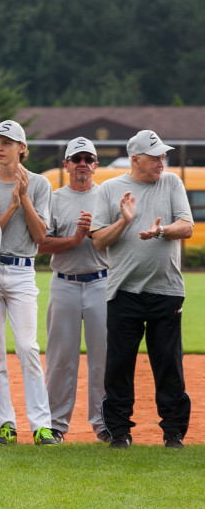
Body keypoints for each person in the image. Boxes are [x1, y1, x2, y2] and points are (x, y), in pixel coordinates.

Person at [90, 130, 194, 449]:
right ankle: (119, 432)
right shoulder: (110, 189)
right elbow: (98, 240)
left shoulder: (172, 182)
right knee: (119, 365)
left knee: (168, 364)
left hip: (167, 290)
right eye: (155, 157)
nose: (162, 161)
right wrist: (124, 221)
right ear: (136, 159)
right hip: (123, 291)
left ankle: (173, 431)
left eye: (164, 156)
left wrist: (161, 230)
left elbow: (187, 226)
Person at [0, 120, 57, 446]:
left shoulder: (39, 184)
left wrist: (24, 198)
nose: (0, 147)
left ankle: (41, 426)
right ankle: (6, 424)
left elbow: (40, 237)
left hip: (23, 270)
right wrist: (11, 204)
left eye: (7, 142)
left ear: (22, 149)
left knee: (27, 347)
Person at [39, 137, 109, 443]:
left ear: (95, 165)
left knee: (103, 357)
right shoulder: (54, 199)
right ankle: (55, 424)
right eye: (76, 158)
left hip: (101, 281)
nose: (82, 164)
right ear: (66, 164)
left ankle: (105, 423)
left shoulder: (106, 197)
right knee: (60, 358)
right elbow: (40, 244)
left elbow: (119, 238)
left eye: (88, 158)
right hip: (64, 282)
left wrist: (96, 233)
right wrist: (75, 237)